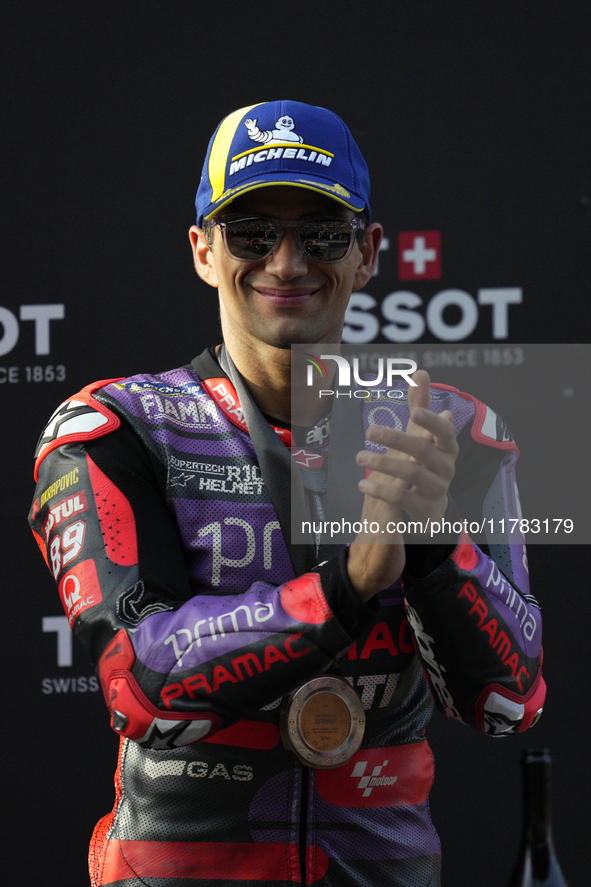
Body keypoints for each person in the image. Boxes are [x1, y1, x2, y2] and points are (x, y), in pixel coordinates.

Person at [28, 100, 545, 887]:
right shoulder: (115, 426)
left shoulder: (453, 430)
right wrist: (347, 587)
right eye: (252, 232)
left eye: (321, 234)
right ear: (203, 250)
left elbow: (509, 700)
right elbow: (141, 684)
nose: (285, 261)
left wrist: (438, 549)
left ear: (368, 253)